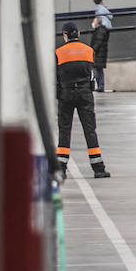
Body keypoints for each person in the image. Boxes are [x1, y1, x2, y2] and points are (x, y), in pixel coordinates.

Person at [55, 22, 110, 178]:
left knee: (64, 130)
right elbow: (91, 72)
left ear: (65, 35)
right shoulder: (89, 51)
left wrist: (59, 93)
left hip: (66, 93)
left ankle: (61, 168)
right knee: (90, 130)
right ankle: (98, 168)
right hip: (85, 93)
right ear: (78, 34)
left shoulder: (58, 52)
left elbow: (56, 77)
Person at [89, 16, 110, 93]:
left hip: (98, 53)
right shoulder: (100, 30)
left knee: (97, 70)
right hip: (100, 53)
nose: (93, 23)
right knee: (98, 70)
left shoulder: (100, 30)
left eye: (94, 21)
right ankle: (100, 86)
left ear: (97, 22)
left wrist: (93, 50)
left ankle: (100, 86)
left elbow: (98, 42)